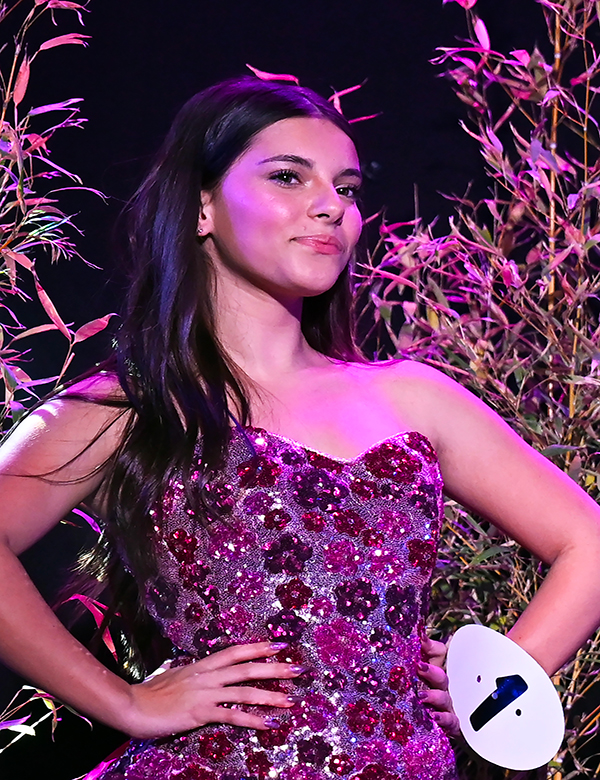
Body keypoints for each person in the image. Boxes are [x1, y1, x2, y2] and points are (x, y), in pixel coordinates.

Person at [0, 76, 599, 780]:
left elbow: (588, 542)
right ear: (200, 206)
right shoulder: (132, 408)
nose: (331, 206)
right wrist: (124, 703)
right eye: (288, 176)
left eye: (347, 189)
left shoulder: (412, 397)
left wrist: (495, 687)